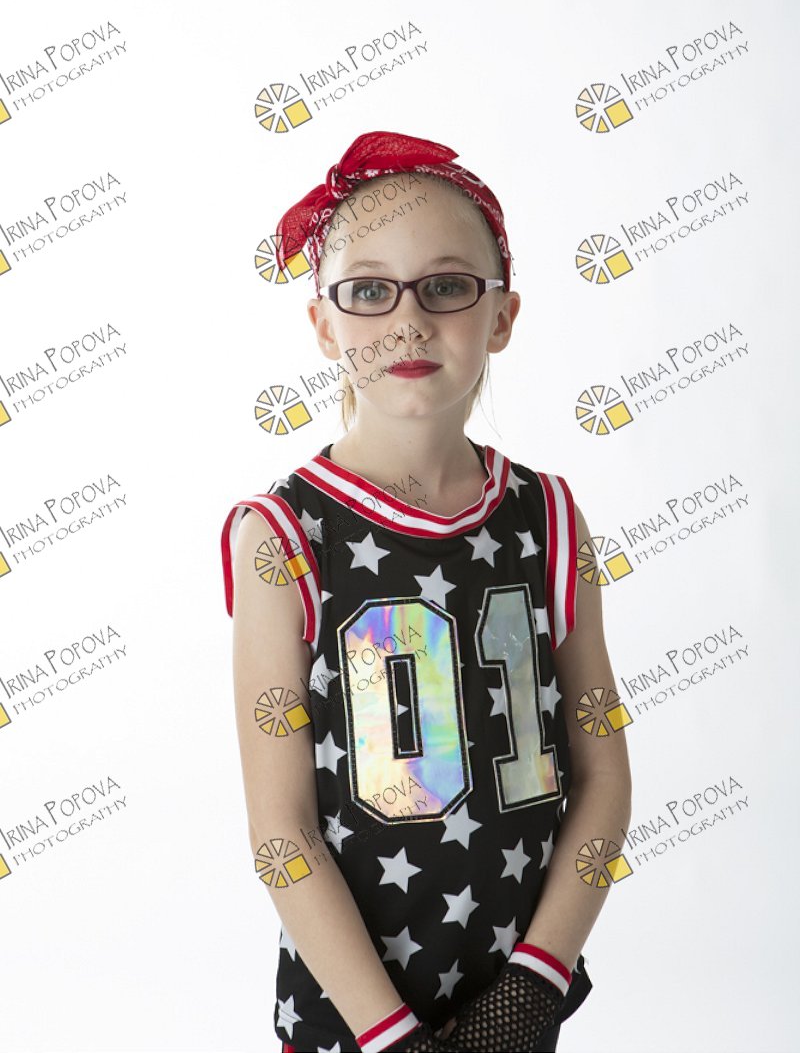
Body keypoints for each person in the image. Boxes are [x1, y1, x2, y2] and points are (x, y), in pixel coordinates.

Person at [220, 131, 633, 1053]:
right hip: (352, 1029)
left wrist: (529, 991)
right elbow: (282, 835)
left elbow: (604, 775)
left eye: (446, 286)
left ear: (503, 315)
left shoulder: (550, 517)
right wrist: (395, 1038)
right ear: (323, 323)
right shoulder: (280, 538)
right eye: (370, 291)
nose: (408, 321)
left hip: (514, 1018)